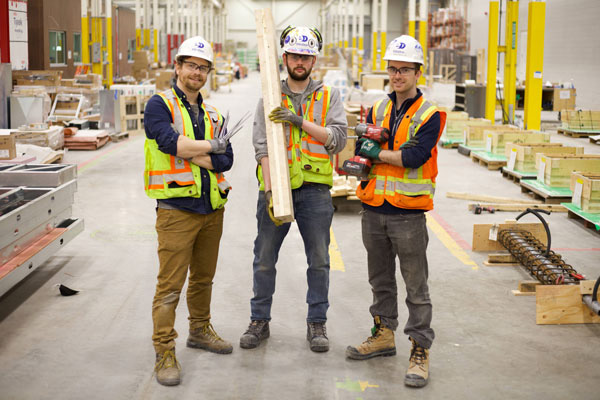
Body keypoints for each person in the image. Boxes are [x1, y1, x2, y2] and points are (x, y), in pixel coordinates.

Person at [345, 35, 446, 388]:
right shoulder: (376, 109)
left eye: (404, 69)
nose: (397, 74)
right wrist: (369, 152)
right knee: (380, 281)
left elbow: (414, 157)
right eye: (393, 68)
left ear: (418, 71)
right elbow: (361, 145)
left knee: (416, 287)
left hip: (408, 213)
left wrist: (377, 152)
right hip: (373, 207)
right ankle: (383, 334)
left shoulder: (430, 114)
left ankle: (419, 349)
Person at [239, 26, 347, 353]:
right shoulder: (271, 96)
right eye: (294, 55)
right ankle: (259, 320)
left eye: (305, 56)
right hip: (278, 189)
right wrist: (271, 193)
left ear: (314, 59)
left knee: (318, 260)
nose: (299, 61)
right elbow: (262, 148)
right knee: (264, 259)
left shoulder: (328, 97)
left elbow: (338, 140)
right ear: (284, 57)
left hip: (315, 191)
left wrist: (298, 121)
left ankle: (317, 323)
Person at [144, 36, 234, 387]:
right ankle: (164, 349)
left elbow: (228, 159)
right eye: (191, 65)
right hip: (176, 210)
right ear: (177, 67)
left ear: (209, 72)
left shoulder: (214, 113)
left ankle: (199, 329)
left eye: (203, 67)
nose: (196, 72)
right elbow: (167, 142)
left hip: (212, 208)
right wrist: (211, 147)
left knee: (202, 278)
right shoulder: (159, 105)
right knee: (169, 286)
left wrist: (190, 150)